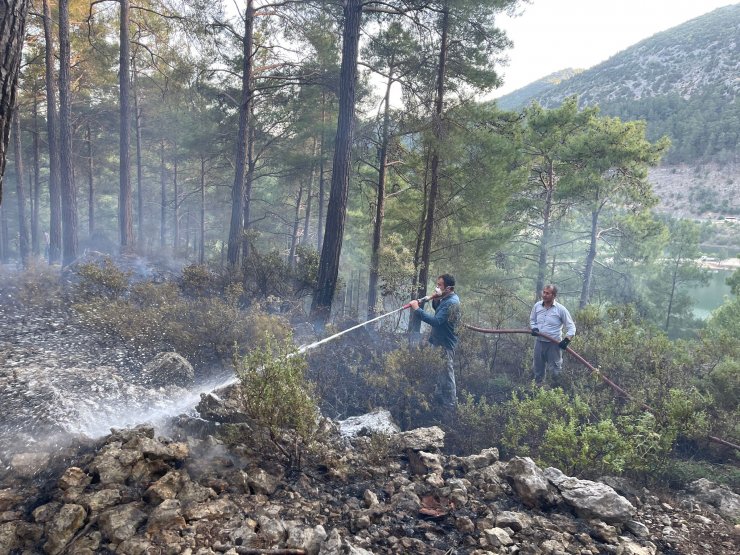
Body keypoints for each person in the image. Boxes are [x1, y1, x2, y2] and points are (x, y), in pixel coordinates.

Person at [409, 274, 461, 410]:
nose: (437, 287)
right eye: (437, 284)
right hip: (438, 341)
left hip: (445, 344)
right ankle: (439, 400)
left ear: (448, 288)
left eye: (440, 285)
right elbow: (439, 311)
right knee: (439, 371)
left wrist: (417, 310)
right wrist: (436, 299)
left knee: (447, 374)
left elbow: (437, 321)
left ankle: (451, 406)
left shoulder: (451, 302)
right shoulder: (447, 298)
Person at [529, 284, 576, 385]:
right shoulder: (537, 306)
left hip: (553, 344)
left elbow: (571, 327)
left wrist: (566, 340)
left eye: (547, 293)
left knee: (555, 371)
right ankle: (538, 391)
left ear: (554, 295)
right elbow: (532, 320)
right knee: (538, 369)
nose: (544, 295)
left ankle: (556, 392)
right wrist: (534, 328)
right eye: (544, 292)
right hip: (539, 343)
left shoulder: (561, 310)